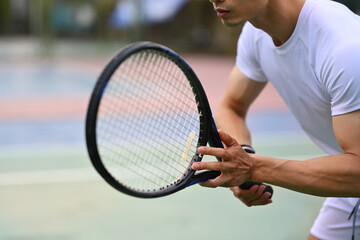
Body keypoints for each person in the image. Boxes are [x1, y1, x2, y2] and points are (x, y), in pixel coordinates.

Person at [191, 0, 360, 239]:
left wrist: (252, 168)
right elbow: (232, 105)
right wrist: (245, 154)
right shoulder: (255, 35)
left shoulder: (344, 46)